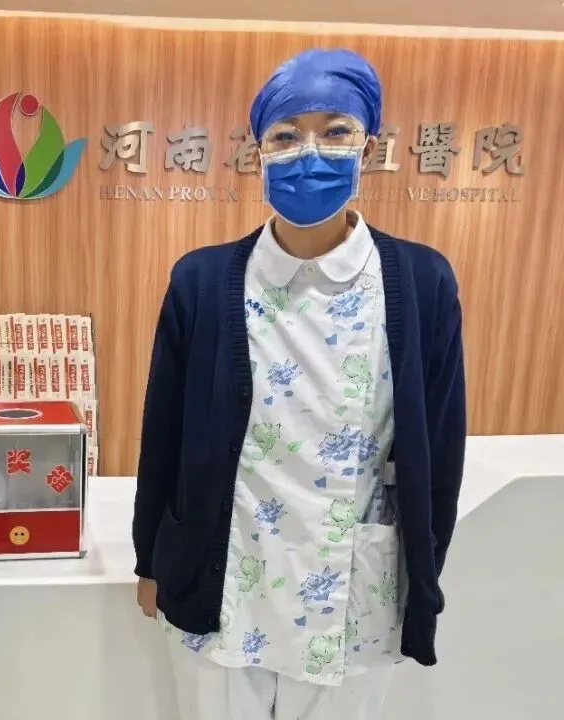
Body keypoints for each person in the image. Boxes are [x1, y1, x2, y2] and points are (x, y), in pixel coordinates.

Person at [132, 48, 466, 720]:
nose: (309, 152)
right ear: (258, 153)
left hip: (355, 590)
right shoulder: (201, 281)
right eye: (286, 136)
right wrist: (151, 560)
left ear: (367, 148)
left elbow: (441, 442)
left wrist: (425, 572)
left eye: (335, 131)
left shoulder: (422, 282)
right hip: (225, 575)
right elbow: (162, 434)